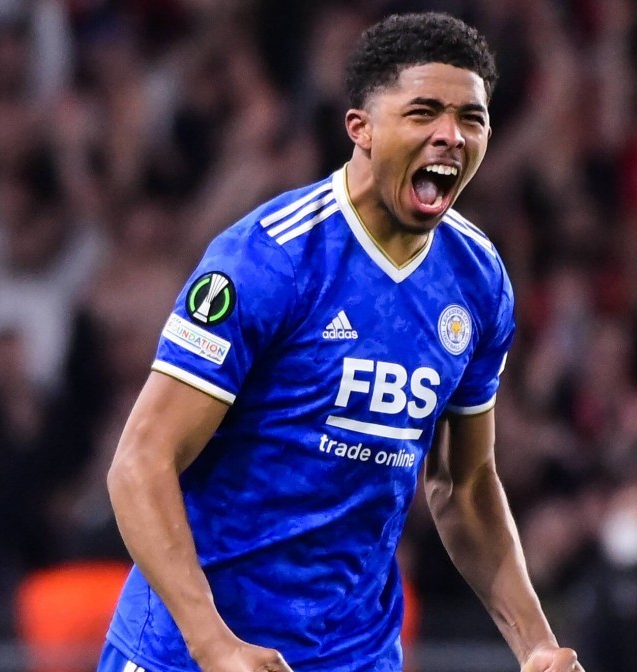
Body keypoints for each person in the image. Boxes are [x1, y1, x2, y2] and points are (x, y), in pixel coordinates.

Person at [97, 13, 583, 672]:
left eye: (472, 118)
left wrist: (536, 644)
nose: (451, 135)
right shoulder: (269, 260)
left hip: (353, 654)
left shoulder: (477, 280)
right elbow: (140, 463)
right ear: (361, 128)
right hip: (188, 653)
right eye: (424, 112)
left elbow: (464, 484)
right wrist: (213, 644)